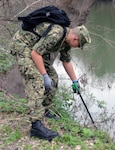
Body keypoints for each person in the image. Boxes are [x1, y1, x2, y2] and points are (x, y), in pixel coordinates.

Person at [10, 20, 91, 141]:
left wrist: (75, 81)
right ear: (75, 38)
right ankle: (36, 126)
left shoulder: (66, 41)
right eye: (79, 45)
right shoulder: (56, 34)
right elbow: (36, 53)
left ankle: (44, 110)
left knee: (53, 77)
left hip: (34, 49)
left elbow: (66, 61)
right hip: (23, 46)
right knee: (36, 80)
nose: (77, 47)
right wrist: (44, 75)